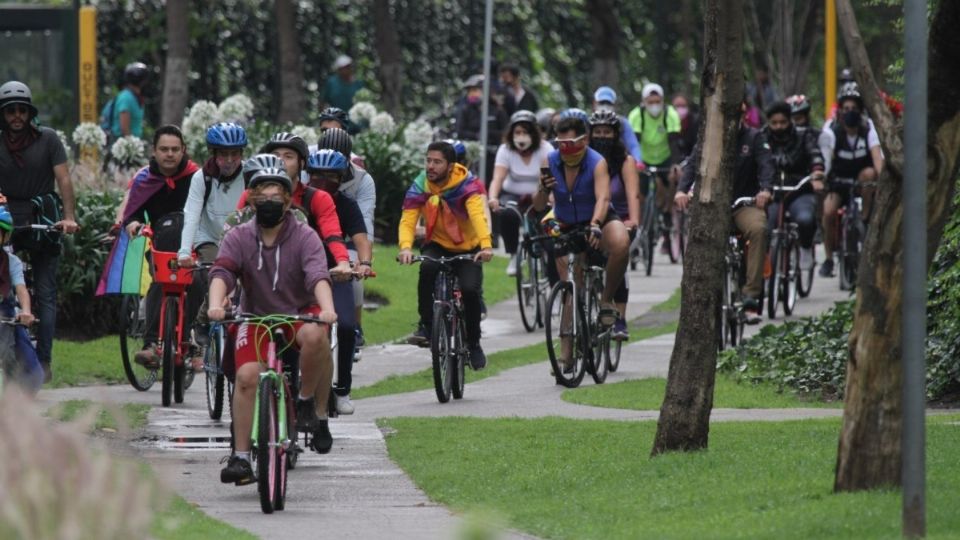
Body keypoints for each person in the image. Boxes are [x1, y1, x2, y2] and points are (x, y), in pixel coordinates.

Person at [209, 165, 338, 484]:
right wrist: (215, 304)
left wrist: (327, 309)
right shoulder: (238, 236)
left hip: (298, 314)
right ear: (251, 201)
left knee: (316, 336)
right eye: (261, 195)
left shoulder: (305, 236)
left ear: (288, 201)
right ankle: (240, 456)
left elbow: (318, 275)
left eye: (276, 195)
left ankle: (306, 402)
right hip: (254, 317)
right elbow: (222, 272)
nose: (269, 201)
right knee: (247, 376)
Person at [0, 80, 80, 382]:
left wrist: (69, 217)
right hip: (6, 220)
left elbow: (64, 180)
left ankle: (44, 360)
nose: (16, 116)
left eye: (22, 110)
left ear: (29, 112)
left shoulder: (48, 139)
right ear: (3, 115)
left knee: (46, 292)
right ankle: (9, 353)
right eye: (10, 111)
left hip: (42, 218)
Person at [675, 100, 774, 324]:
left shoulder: (754, 138)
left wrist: (765, 190)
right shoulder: (707, 139)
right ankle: (699, 295)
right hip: (712, 206)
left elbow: (767, 165)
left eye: (736, 116)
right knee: (696, 234)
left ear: (743, 116)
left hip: (743, 204)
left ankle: (750, 296)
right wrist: (681, 191)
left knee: (758, 229)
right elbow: (691, 165)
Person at [398, 141, 492, 370]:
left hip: (468, 248)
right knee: (427, 269)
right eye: (428, 160)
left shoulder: (467, 184)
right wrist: (406, 247)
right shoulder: (421, 185)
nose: (430, 166)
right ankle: (427, 325)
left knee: (470, 291)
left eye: (437, 162)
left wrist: (486, 245)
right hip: (437, 243)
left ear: (451, 166)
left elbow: (478, 216)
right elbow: (408, 219)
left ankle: (474, 343)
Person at [533, 116, 630, 332]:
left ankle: (606, 300)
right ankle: (566, 353)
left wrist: (596, 223)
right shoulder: (550, 160)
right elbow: (539, 205)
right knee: (571, 286)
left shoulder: (597, 162)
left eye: (570, 144)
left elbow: (603, 198)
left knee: (621, 243)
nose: (565, 149)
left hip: (597, 218)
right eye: (560, 144)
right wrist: (543, 188)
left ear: (584, 140)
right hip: (565, 222)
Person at [124, 125, 201, 368]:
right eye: (164, 149)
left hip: (193, 245)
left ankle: (188, 337)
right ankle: (150, 345)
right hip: (161, 245)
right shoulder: (145, 179)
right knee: (159, 282)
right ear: (154, 151)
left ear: (184, 151)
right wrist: (133, 223)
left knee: (198, 282)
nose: (169, 154)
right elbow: (132, 212)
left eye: (175, 149)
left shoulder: (196, 177)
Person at [305, 149, 373, 415]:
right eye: (317, 175)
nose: (323, 181)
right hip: (301, 276)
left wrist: (364, 264)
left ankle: (342, 389)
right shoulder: (298, 200)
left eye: (331, 176)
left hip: (337, 271)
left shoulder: (346, 204)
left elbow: (360, 237)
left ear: (342, 177)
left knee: (346, 326)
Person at [237, 132, 353, 277]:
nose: (280, 161)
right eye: (275, 155)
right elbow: (235, 233)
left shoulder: (318, 198)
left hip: (303, 272)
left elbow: (332, 234)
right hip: (256, 270)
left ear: (302, 164)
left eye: (288, 156)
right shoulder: (249, 195)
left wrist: (343, 262)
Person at [177, 122, 248, 351]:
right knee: (216, 270)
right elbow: (191, 214)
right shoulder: (202, 178)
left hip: (240, 237)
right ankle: (201, 322)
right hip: (208, 235)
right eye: (223, 154)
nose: (229, 160)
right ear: (213, 154)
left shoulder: (250, 175)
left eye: (234, 154)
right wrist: (185, 252)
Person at [818, 83, 884, 278]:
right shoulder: (831, 130)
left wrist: (883, 179)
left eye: (854, 109)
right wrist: (822, 179)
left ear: (861, 110)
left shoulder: (869, 128)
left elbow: (877, 159)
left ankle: (864, 219)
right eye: (846, 109)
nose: (850, 112)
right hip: (838, 182)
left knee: (869, 174)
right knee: (828, 212)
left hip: (862, 184)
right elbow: (825, 162)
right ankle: (829, 259)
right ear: (840, 110)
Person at [316, 127, 375, 345]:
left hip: (348, 235)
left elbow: (364, 220)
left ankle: (355, 326)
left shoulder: (362, 180)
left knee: (355, 281)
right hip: (312, 237)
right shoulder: (306, 172)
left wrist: (364, 259)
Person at [588, 109, 640, 340]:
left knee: (618, 258)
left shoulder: (625, 161)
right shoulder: (586, 159)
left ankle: (619, 317)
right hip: (591, 220)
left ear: (615, 134)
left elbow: (633, 194)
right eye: (597, 131)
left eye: (606, 132)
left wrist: (633, 220)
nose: (602, 136)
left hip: (619, 218)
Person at [488, 110, 555, 276]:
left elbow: (549, 177)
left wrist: (551, 197)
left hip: (539, 194)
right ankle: (513, 255)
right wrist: (493, 197)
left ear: (534, 133)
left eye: (526, 132)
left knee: (545, 219)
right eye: (518, 132)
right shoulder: (505, 150)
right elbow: (497, 178)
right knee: (507, 214)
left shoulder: (546, 148)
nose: (521, 136)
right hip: (513, 194)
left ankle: (543, 255)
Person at [762, 101, 825, 272]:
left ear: (790, 121)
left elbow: (815, 156)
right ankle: (766, 268)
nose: (779, 127)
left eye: (783, 122)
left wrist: (817, 175)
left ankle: (805, 248)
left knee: (805, 220)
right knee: (765, 227)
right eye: (774, 123)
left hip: (799, 190)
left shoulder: (804, 135)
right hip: (772, 192)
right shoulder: (761, 137)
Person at [627, 83, 684, 248]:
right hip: (643, 158)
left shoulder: (670, 114)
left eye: (657, 101)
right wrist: (636, 162)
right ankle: (639, 227)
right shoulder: (637, 115)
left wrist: (675, 164)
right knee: (640, 192)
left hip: (665, 156)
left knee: (672, 180)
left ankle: (667, 212)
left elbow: (674, 142)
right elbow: (633, 142)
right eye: (650, 102)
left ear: (662, 100)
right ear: (644, 101)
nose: (654, 105)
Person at [0, 204, 42, 394]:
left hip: (6, 317)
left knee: (15, 359)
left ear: (5, 236)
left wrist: (25, 311)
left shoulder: (12, 262)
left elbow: (21, 289)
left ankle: (12, 397)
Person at [454, 74, 509, 187]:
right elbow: (460, 131)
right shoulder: (466, 110)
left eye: (475, 90)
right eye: (469, 91)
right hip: (471, 157)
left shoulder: (497, 111)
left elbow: (505, 133)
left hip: (493, 156)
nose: (472, 94)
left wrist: (489, 135)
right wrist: (476, 136)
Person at [592, 86, 642, 164]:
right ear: (595, 103)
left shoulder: (622, 123)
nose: (605, 106)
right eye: (602, 103)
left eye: (608, 103)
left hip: (617, 163)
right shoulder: (589, 122)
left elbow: (633, 145)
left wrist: (638, 161)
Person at [105, 62, 149, 140]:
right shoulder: (126, 98)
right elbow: (125, 128)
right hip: (123, 145)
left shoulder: (135, 97)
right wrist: (131, 146)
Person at [671, 94, 700, 160]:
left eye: (683, 106)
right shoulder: (667, 122)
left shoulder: (694, 122)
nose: (680, 109)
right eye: (677, 106)